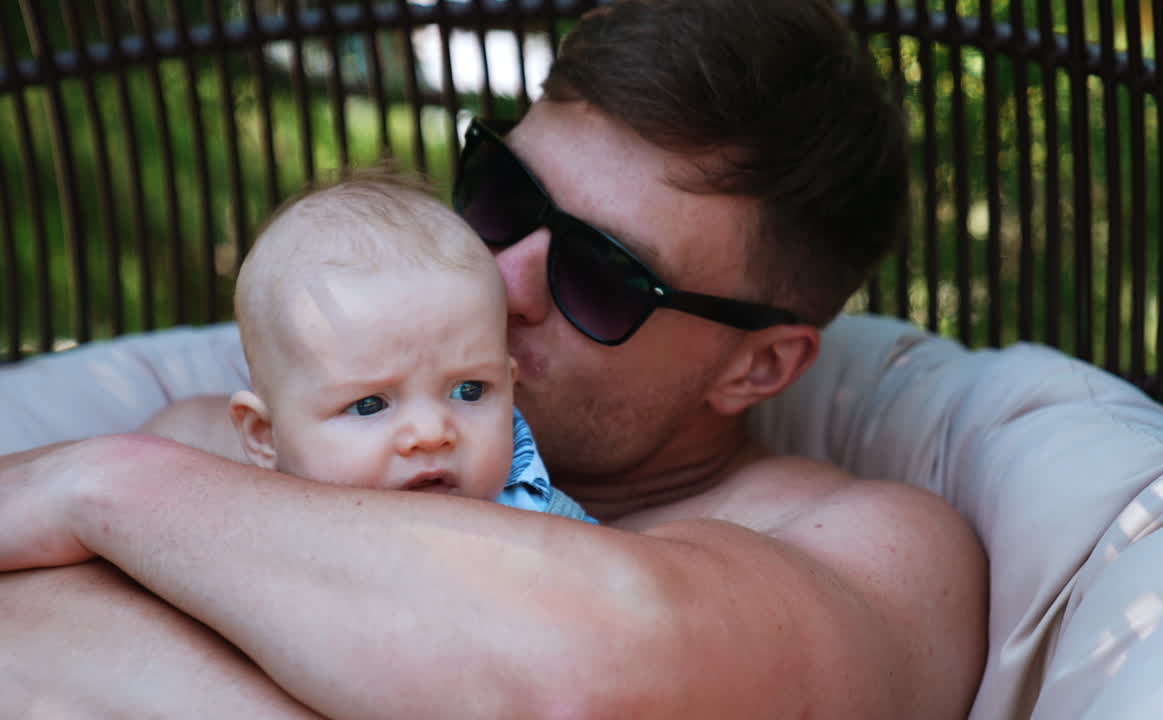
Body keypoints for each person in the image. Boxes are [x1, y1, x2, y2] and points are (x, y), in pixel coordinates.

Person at [0, 1, 988, 718]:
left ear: (758, 368)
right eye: (503, 195)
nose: (500, 275)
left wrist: (102, 488)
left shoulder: (878, 550)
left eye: (599, 272)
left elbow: (591, 667)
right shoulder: (235, 440)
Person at [153, 169, 594, 522]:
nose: (430, 433)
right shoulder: (238, 528)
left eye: (470, 391)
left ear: (509, 385)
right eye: (369, 405)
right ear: (265, 437)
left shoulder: (544, 527)